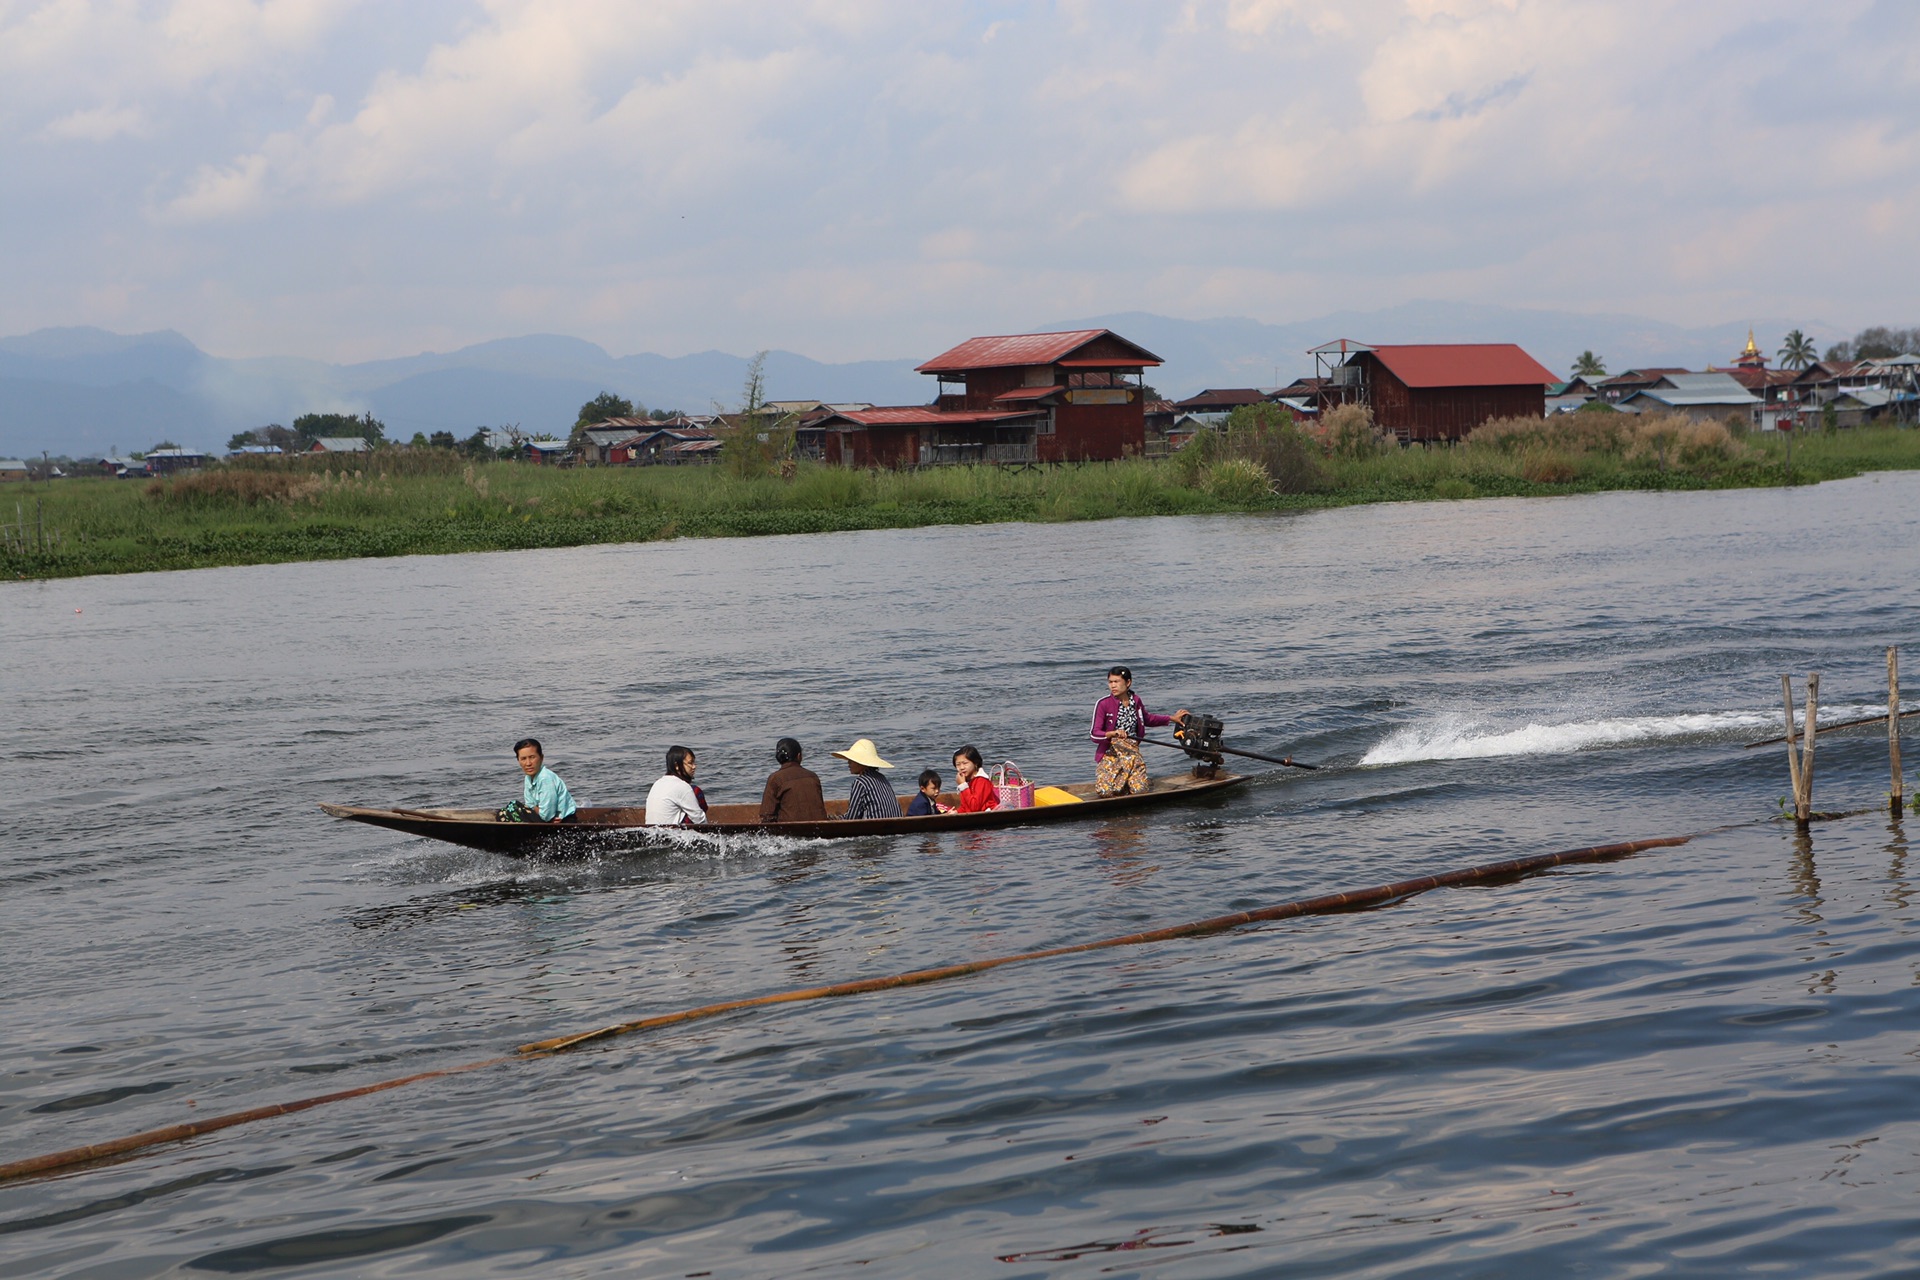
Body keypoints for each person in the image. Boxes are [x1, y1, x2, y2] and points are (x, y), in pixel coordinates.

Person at [1089, 665, 1189, 797]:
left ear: (1128, 682)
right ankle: (1121, 783)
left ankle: (1126, 782)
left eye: (1117, 682)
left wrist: (1171, 718)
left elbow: (1147, 719)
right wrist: (1112, 733)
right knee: (1105, 792)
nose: (1113, 686)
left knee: (1140, 791)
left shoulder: (1136, 701)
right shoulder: (1103, 704)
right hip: (1111, 753)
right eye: (1110, 682)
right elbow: (1094, 734)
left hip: (1132, 753)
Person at [759, 737, 828, 823]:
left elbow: (767, 815)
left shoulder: (775, 778)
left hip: (789, 832)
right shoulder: (813, 776)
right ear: (799, 756)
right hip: (820, 830)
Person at [511, 738, 578, 823]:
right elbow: (530, 805)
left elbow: (546, 815)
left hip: (564, 821)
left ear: (541, 758)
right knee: (513, 807)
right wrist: (536, 809)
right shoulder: (528, 778)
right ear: (518, 760)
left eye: (532, 757)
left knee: (511, 811)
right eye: (523, 759)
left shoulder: (545, 778)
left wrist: (536, 809)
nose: (528, 763)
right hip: (547, 819)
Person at [833, 738, 900, 819]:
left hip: (875, 827)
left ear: (861, 763)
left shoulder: (860, 782)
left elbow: (852, 817)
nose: (848, 763)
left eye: (852, 760)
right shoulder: (882, 777)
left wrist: (832, 818)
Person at [645, 745, 707, 826]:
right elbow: (699, 819)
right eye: (690, 763)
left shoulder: (658, 783)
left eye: (694, 763)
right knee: (696, 792)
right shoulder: (682, 786)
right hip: (671, 834)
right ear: (677, 766)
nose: (694, 767)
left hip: (651, 831)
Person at [952, 745, 1000, 813]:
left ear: (975, 763)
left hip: (987, 814)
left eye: (965, 763)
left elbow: (975, 807)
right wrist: (956, 812)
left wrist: (963, 785)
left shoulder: (981, 780)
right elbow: (965, 806)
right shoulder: (967, 781)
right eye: (958, 764)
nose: (961, 767)